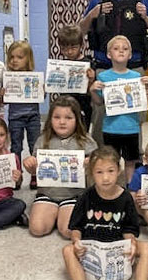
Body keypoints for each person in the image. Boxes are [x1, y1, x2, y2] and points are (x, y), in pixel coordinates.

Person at [52, 146, 148, 280]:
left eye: (110, 171)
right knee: (67, 250)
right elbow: (75, 227)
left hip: (117, 249)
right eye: (99, 172)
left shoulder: (125, 198)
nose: (106, 177)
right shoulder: (85, 196)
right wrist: (76, 241)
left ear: (119, 171)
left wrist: (130, 243)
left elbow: (130, 228)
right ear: (91, 174)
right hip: (91, 251)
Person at [80, 0, 148, 145]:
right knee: (101, 117)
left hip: (134, 68)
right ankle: (102, 161)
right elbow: (80, 30)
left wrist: (146, 17)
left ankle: (132, 162)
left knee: (133, 118)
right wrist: (93, 13)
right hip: (104, 68)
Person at [23, 96, 97, 238]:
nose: (62, 122)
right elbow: (35, 171)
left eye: (68, 118)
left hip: (74, 194)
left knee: (68, 231)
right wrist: (29, 164)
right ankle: (54, 213)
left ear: (77, 119)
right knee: (37, 229)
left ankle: (62, 214)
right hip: (47, 193)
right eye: (57, 117)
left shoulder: (86, 141)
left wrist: (91, 163)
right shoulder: (43, 139)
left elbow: (98, 168)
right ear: (50, 119)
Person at [89, 35, 148, 184]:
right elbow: (98, 103)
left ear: (130, 54)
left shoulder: (137, 76)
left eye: (125, 49)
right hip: (111, 127)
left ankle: (129, 186)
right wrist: (92, 90)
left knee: (130, 160)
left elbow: (142, 102)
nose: (121, 51)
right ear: (109, 55)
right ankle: (114, 184)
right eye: (116, 49)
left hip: (131, 127)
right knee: (111, 160)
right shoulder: (103, 76)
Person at [4, 40, 41, 191]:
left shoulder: (33, 76)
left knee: (35, 145)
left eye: (19, 57)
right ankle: (17, 176)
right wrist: (3, 94)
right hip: (15, 117)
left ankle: (35, 175)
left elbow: (41, 97)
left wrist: (42, 90)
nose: (15, 60)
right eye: (12, 57)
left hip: (33, 116)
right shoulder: (8, 77)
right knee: (16, 146)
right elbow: (4, 101)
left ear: (28, 59)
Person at [58, 24, 95, 132]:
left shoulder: (88, 63)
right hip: (65, 106)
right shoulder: (61, 64)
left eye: (73, 48)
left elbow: (91, 91)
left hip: (83, 106)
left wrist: (91, 80)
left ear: (81, 45)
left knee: (82, 134)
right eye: (64, 48)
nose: (69, 52)